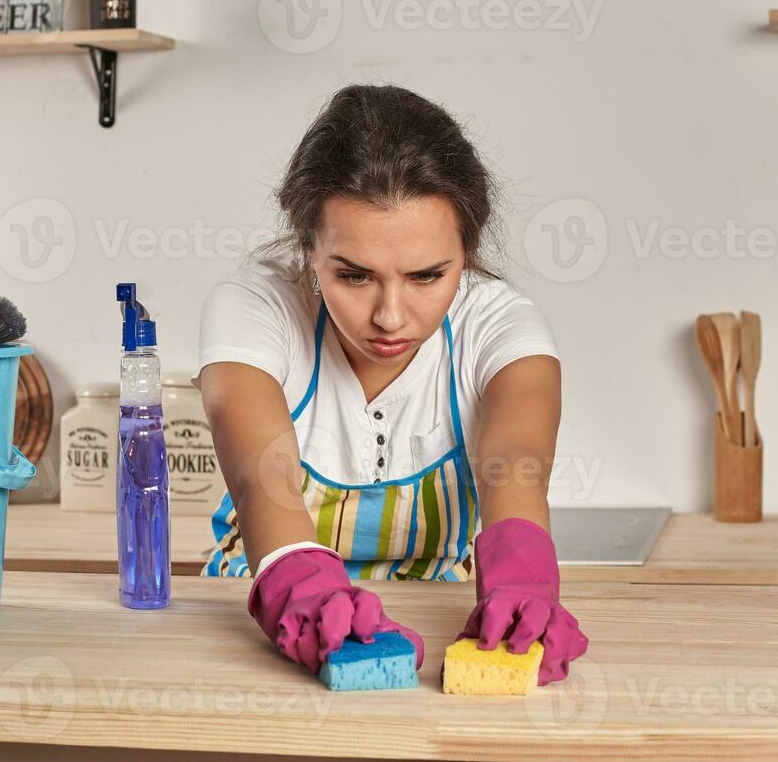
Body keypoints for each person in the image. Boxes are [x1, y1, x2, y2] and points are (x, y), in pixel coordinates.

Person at [192, 84, 588, 685]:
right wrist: (301, 590)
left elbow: (516, 465)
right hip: (255, 633)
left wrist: (524, 583)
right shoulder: (254, 307)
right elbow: (259, 475)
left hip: (437, 620)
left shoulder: (501, 326)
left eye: (429, 275)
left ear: (468, 252)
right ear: (309, 250)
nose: (391, 316)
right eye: (353, 275)